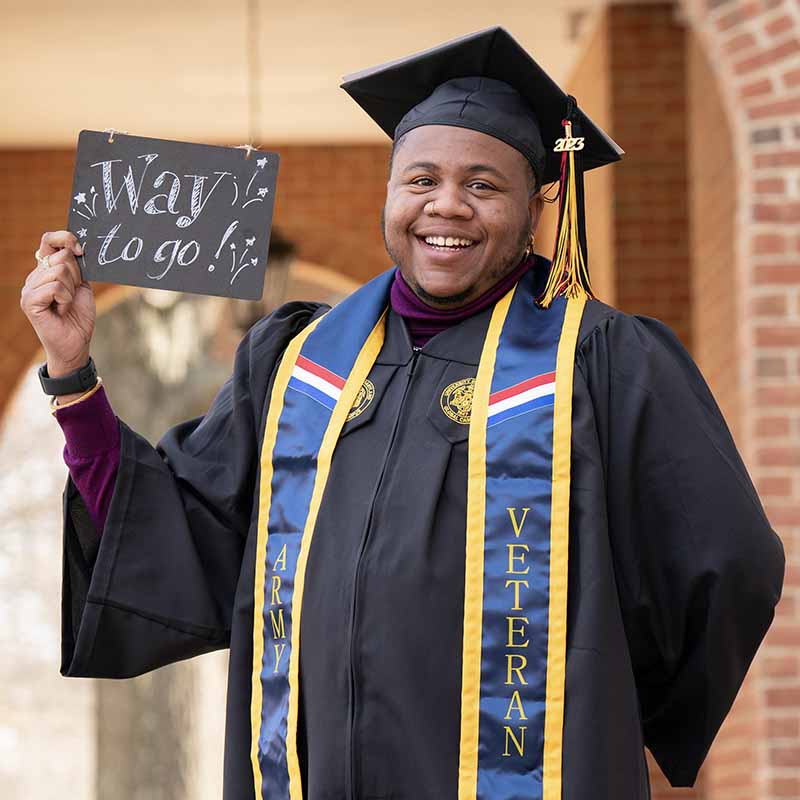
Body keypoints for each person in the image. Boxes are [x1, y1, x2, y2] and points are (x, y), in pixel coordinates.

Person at [20, 27, 784, 800]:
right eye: (421, 179)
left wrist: (604, 688)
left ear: (535, 206)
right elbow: (179, 527)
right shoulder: (297, 364)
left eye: (484, 185)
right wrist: (73, 374)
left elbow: (724, 562)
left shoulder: (603, 363)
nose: (446, 206)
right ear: (391, 192)